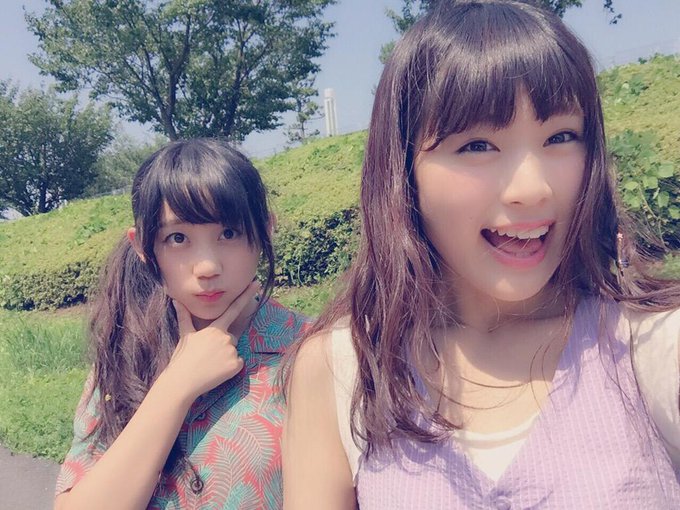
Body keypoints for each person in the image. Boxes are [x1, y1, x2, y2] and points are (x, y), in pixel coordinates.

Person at [282, 1, 680, 508]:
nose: (532, 189)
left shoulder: (651, 343)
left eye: (560, 137)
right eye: (477, 145)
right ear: (403, 172)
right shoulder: (343, 370)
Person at [55, 139, 310, 509]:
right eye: (177, 238)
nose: (207, 266)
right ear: (143, 247)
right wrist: (176, 386)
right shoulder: (125, 352)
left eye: (229, 233)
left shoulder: (312, 351)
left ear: (265, 230)